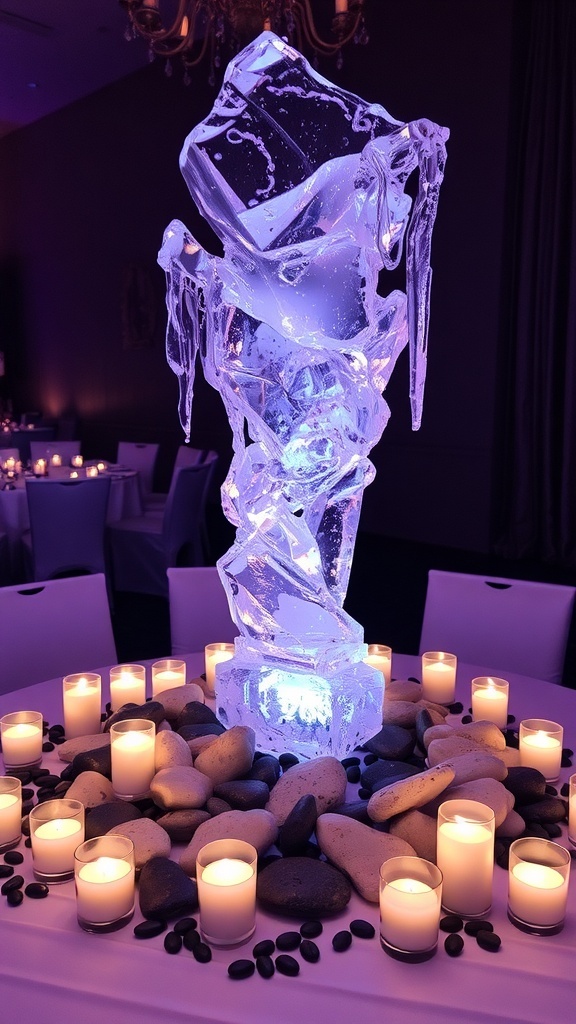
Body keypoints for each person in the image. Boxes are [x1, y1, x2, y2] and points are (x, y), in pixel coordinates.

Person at [159, 31, 448, 669]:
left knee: (338, 483)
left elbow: (363, 344)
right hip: (303, 432)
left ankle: (312, 621)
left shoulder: (338, 265)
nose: (397, 215)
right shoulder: (310, 242)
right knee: (321, 488)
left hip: (325, 432)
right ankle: (301, 624)